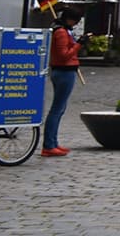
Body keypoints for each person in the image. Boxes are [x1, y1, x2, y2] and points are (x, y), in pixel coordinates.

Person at [41, 8, 84, 158]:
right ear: (70, 19)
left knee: (60, 108)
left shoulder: (62, 30)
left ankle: (53, 142)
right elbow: (64, 55)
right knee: (57, 109)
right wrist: (79, 44)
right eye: (76, 21)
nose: (76, 24)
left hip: (65, 71)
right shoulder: (60, 32)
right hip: (64, 71)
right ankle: (49, 145)